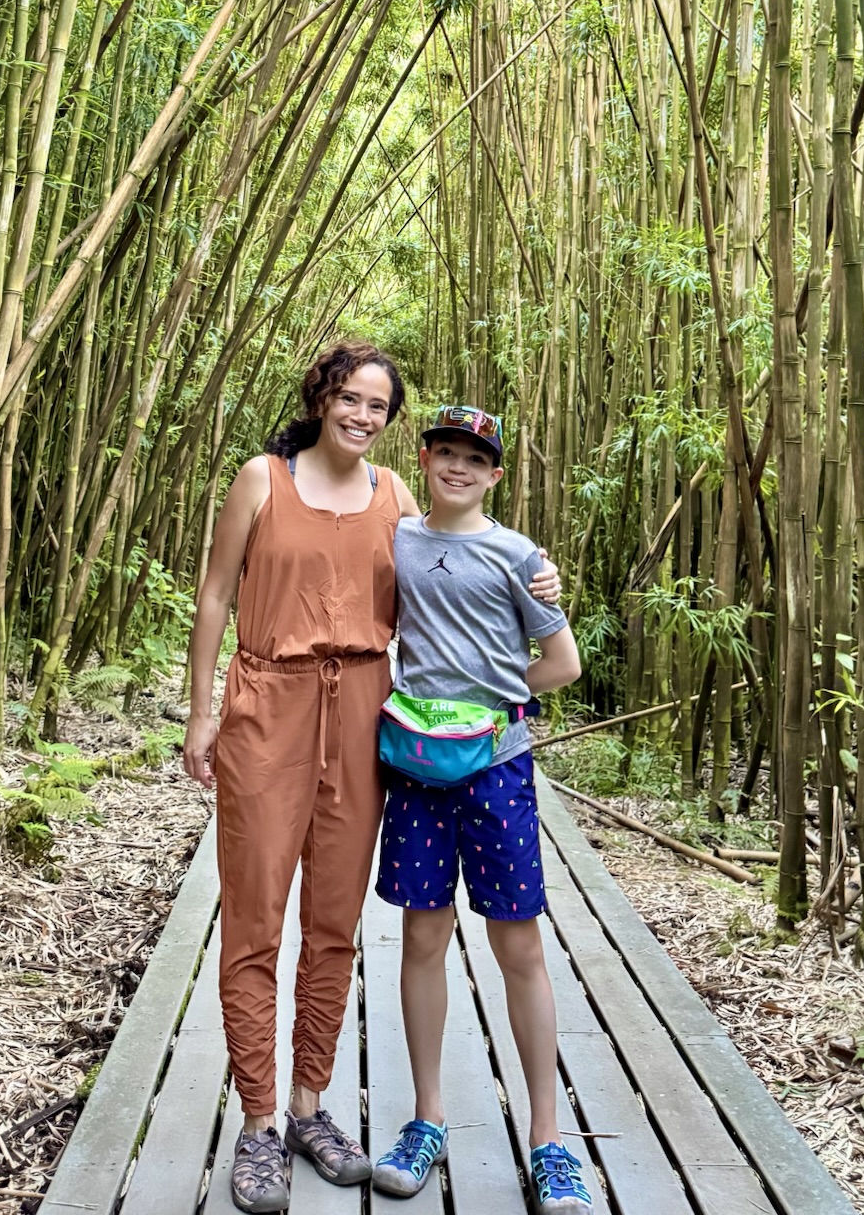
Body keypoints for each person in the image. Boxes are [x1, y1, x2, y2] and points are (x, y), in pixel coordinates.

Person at [182, 348, 557, 1214]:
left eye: (377, 405)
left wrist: (539, 576)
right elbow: (214, 597)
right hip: (267, 702)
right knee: (254, 919)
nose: (361, 414)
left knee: (334, 921)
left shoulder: (396, 496)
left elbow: (460, 550)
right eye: (348, 397)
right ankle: (259, 1121)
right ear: (321, 399)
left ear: (391, 421)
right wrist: (200, 714)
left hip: (363, 712)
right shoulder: (262, 480)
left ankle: (309, 1105)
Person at [371, 404, 590, 1212]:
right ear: (424, 458)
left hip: (497, 769)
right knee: (423, 937)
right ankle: (427, 1119)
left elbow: (562, 662)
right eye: (445, 452)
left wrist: (491, 704)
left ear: (495, 474)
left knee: (519, 946)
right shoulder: (394, 536)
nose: (458, 466)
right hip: (416, 769)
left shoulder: (518, 555)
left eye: (475, 458)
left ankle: (548, 1139)